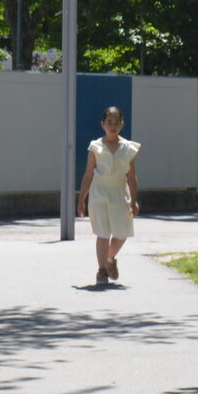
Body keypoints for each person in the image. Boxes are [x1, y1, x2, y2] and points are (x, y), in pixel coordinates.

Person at [75, 104, 140, 286]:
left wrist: (134, 201)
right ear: (103, 124)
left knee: (122, 232)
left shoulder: (129, 148)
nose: (113, 125)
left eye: (116, 122)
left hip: (120, 193)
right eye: (109, 122)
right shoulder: (95, 147)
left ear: (122, 124)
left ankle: (110, 258)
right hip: (99, 194)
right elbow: (88, 175)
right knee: (103, 233)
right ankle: (102, 271)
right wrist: (81, 200)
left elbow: (132, 177)